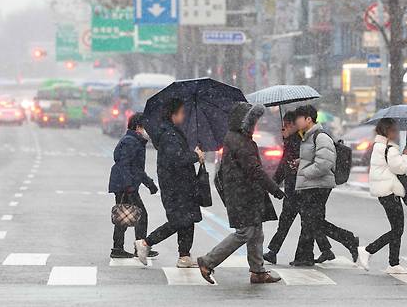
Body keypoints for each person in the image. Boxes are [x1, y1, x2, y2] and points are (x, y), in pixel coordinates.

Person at [196, 103, 284, 284]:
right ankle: (208, 261)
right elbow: (254, 170)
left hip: (246, 193)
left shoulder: (239, 138)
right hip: (243, 195)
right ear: (246, 122)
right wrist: (274, 189)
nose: (256, 125)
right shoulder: (240, 141)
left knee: (256, 231)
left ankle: (258, 271)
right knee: (245, 232)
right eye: (254, 121)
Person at [135, 98, 204, 268]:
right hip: (176, 187)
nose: (184, 115)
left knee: (188, 220)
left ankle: (184, 256)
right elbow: (177, 159)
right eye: (181, 112)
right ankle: (145, 243)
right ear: (173, 115)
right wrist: (196, 156)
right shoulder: (169, 135)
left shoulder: (172, 132)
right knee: (179, 221)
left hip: (181, 186)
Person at [291, 105, 359, 266]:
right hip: (312, 184)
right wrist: (301, 163)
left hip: (318, 185)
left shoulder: (320, 137)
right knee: (310, 221)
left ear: (308, 119)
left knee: (313, 221)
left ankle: (348, 239)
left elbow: (324, 164)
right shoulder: (308, 136)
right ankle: (305, 257)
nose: (296, 122)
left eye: (298, 118)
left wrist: (305, 172)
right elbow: (314, 158)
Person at [263, 111, 334, 265]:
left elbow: (289, 165)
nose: (283, 129)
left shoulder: (300, 140)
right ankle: (325, 249)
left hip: (300, 188)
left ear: (293, 125)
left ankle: (275, 251)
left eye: (286, 126)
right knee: (304, 222)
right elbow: (284, 165)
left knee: (305, 222)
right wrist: (274, 184)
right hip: (295, 187)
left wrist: (274, 183)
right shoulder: (292, 140)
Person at [357, 118, 407, 274]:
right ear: (387, 131)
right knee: (397, 229)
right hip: (390, 192)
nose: (396, 133)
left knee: (397, 228)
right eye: (394, 130)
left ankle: (394, 264)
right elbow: (400, 168)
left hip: (384, 192)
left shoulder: (378, 146)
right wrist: (406, 156)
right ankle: (368, 250)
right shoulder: (390, 149)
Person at [107, 113, 159, 259]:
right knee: (138, 215)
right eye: (145, 127)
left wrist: (150, 184)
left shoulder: (134, 140)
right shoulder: (131, 141)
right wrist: (129, 186)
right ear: (138, 127)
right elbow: (124, 165)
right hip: (125, 185)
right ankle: (139, 247)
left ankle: (119, 248)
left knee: (123, 216)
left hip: (124, 184)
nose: (147, 130)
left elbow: (137, 169)